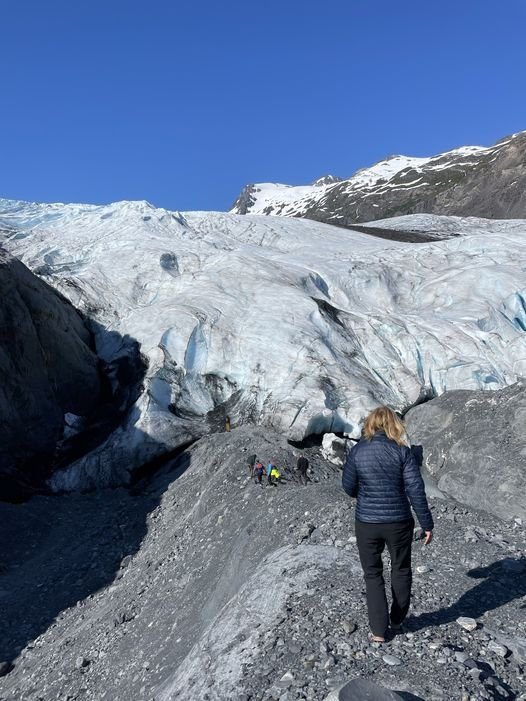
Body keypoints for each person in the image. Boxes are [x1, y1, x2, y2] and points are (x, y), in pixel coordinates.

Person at [342, 406, 433, 643]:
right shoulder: (402, 452)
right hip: (399, 522)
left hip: (367, 523)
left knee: (373, 575)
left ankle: (379, 631)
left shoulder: (358, 452)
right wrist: (427, 523)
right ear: (394, 425)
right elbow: (416, 489)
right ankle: (397, 619)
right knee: (401, 569)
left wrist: (366, 494)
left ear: (370, 424)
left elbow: (348, 487)